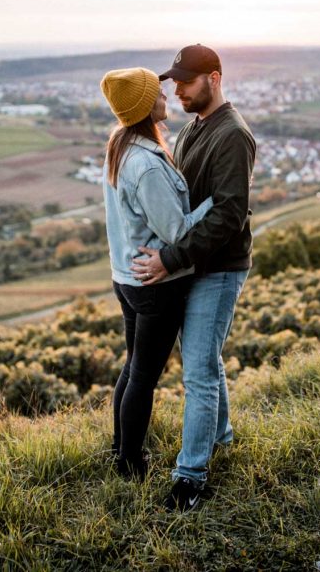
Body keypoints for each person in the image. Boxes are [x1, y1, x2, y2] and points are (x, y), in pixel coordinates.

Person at [130, 44, 256, 511]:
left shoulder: (233, 135)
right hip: (194, 264)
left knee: (199, 372)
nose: (177, 89)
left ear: (215, 78)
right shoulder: (193, 128)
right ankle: (220, 437)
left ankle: (191, 478)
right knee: (204, 360)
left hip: (218, 267)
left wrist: (169, 258)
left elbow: (228, 216)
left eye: (186, 81)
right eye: (174, 81)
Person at [100, 66, 213, 480]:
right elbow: (178, 231)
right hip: (154, 285)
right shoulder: (146, 165)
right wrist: (215, 203)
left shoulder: (120, 144)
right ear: (146, 105)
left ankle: (120, 449)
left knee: (133, 368)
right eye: (158, 92)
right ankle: (130, 464)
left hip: (127, 278)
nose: (167, 96)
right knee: (144, 376)